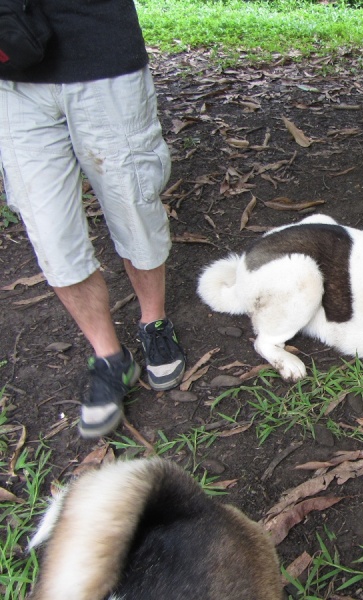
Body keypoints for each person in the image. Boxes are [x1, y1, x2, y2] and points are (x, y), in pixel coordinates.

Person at [0, 0, 186, 438]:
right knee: (50, 232)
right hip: (13, 74)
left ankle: (153, 321)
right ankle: (110, 357)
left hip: (102, 58)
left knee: (134, 208)